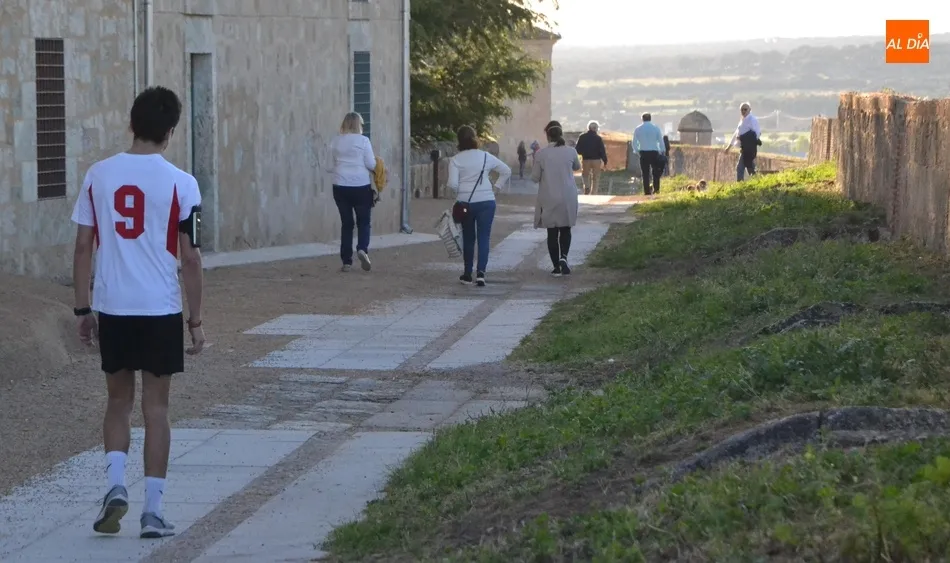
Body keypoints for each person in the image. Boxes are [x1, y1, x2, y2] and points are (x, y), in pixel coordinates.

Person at [70, 86, 206, 539]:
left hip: (113, 306)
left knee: (117, 403)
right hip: (160, 307)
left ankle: (114, 486)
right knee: (157, 409)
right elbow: (190, 257)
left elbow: (84, 246)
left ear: (131, 123)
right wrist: (196, 319)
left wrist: (83, 308)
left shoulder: (98, 176)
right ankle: (152, 510)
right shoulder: (183, 184)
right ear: (170, 132)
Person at [447, 125, 511, 287]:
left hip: (465, 203)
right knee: (484, 237)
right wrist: (496, 187)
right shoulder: (485, 156)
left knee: (468, 238)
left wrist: (459, 193)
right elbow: (506, 171)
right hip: (486, 201)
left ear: (459, 141)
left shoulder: (455, 160)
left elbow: (453, 184)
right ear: (475, 139)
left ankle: (467, 274)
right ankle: (481, 273)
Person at [326, 112, 376, 272]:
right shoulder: (364, 141)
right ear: (358, 125)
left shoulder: (335, 141)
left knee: (347, 224)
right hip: (361, 185)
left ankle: (346, 261)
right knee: (364, 222)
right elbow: (371, 164)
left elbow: (328, 166)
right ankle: (362, 248)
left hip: (340, 186)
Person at [532, 125, 580, 276]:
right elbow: (577, 167)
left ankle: (556, 267)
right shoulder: (571, 151)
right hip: (568, 194)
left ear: (548, 136)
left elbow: (535, 177)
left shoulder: (541, 154)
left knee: (552, 232)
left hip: (549, 195)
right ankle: (564, 257)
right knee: (566, 228)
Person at [724, 102, 762, 181]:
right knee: (750, 168)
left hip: (749, 148)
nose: (743, 111)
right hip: (744, 147)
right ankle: (757, 182)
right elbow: (736, 134)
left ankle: (741, 185)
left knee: (740, 168)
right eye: (742, 110)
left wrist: (746, 140)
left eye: (745, 109)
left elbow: (757, 133)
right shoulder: (742, 120)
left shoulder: (752, 120)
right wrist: (729, 147)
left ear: (749, 110)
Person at [633, 112, 666, 195]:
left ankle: (647, 191)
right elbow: (660, 141)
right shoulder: (656, 128)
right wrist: (662, 150)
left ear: (642, 119)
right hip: (654, 152)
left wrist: (637, 151)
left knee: (645, 173)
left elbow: (634, 142)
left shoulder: (638, 129)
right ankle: (656, 189)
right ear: (650, 118)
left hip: (643, 152)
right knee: (655, 171)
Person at [574, 120, 608, 195]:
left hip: (586, 159)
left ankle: (587, 186)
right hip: (596, 160)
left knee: (585, 175)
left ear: (588, 128)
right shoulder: (598, 138)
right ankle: (593, 193)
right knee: (596, 177)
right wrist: (605, 161)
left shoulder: (582, 137)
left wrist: (582, 153)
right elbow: (602, 150)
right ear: (596, 129)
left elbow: (577, 149)